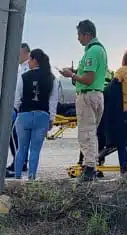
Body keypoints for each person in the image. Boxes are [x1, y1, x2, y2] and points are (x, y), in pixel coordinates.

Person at [59, 20, 108, 180]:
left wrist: (71, 75)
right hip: (96, 94)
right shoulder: (100, 50)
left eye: (79, 35)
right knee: (91, 133)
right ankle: (92, 165)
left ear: (87, 34)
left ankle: (89, 169)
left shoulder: (92, 52)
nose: (78, 39)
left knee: (86, 134)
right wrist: (75, 71)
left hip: (87, 95)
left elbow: (88, 78)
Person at [12, 49, 55, 180]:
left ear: (35, 60)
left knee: (21, 149)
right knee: (35, 150)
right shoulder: (52, 78)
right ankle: (31, 178)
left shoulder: (23, 77)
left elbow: (17, 99)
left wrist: (19, 111)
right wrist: (51, 118)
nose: (28, 62)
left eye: (30, 59)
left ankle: (17, 177)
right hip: (42, 116)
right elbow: (53, 101)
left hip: (24, 115)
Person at [7, 43, 30, 177]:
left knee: (14, 135)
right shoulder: (21, 68)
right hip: (19, 106)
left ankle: (19, 162)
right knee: (17, 136)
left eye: (20, 53)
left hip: (21, 107)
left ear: (26, 53)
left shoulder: (26, 69)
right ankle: (20, 161)